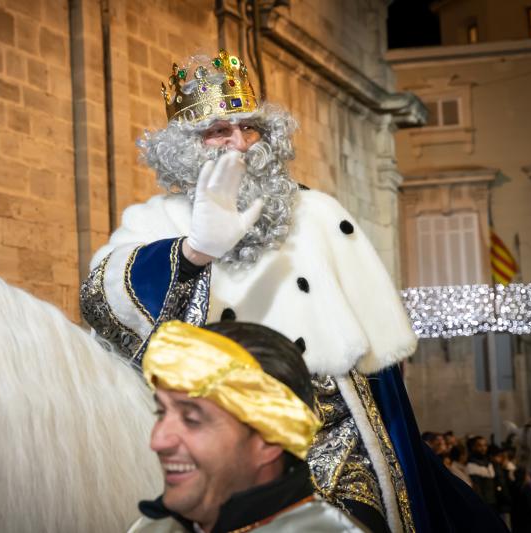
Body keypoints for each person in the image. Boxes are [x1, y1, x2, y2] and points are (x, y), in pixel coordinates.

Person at [82, 48, 507, 533]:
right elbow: (101, 301)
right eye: (219, 131)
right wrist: (194, 251)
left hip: (335, 441)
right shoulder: (153, 221)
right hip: (218, 439)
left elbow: (377, 369)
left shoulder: (318, 214)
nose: (239, 144)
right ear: (184, 147)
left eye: (249, 128)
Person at [128, 320, 364, 532]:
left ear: (268, 439)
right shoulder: (154, 527)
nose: (157, 441)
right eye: (161, 412)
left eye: (191, 420)